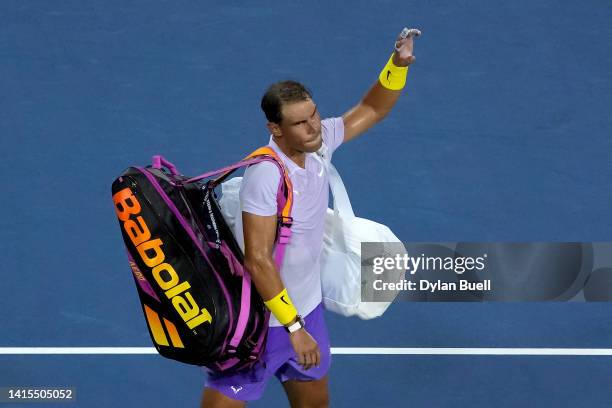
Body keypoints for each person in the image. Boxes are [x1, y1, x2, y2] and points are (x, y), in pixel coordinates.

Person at [201, 27, 421, 408]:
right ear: (276, 129)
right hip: (260, 327)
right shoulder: (266, 175)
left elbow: (372, 109)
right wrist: (294, 327)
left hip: (308, 314)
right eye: (301, 123)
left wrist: (396, 65)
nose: (315, 126)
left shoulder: (317, 147)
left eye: (315, 115)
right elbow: (258, 259)